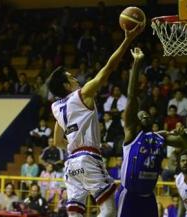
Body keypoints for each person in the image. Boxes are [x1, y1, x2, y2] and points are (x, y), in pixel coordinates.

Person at [48, 24, 143, 217]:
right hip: (88, 157)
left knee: (75, 214)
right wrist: (127, 40)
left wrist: (75, 142)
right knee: (108, 210)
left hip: (71, 163)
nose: (76, 79)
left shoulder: (56, 108)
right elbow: (109, 67)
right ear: (67, 85)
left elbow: (57, 142)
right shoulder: (83, 94)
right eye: (71, 78)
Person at [116, 48, 187, 217]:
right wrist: (136, 64)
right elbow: (131, 96)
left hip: (149, 196)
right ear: (134, 121)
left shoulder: (160, 136)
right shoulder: (131, 134)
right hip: (129, 195)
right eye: (139, 114)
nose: (143, 114)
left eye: (146, 114)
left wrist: (184, 134)